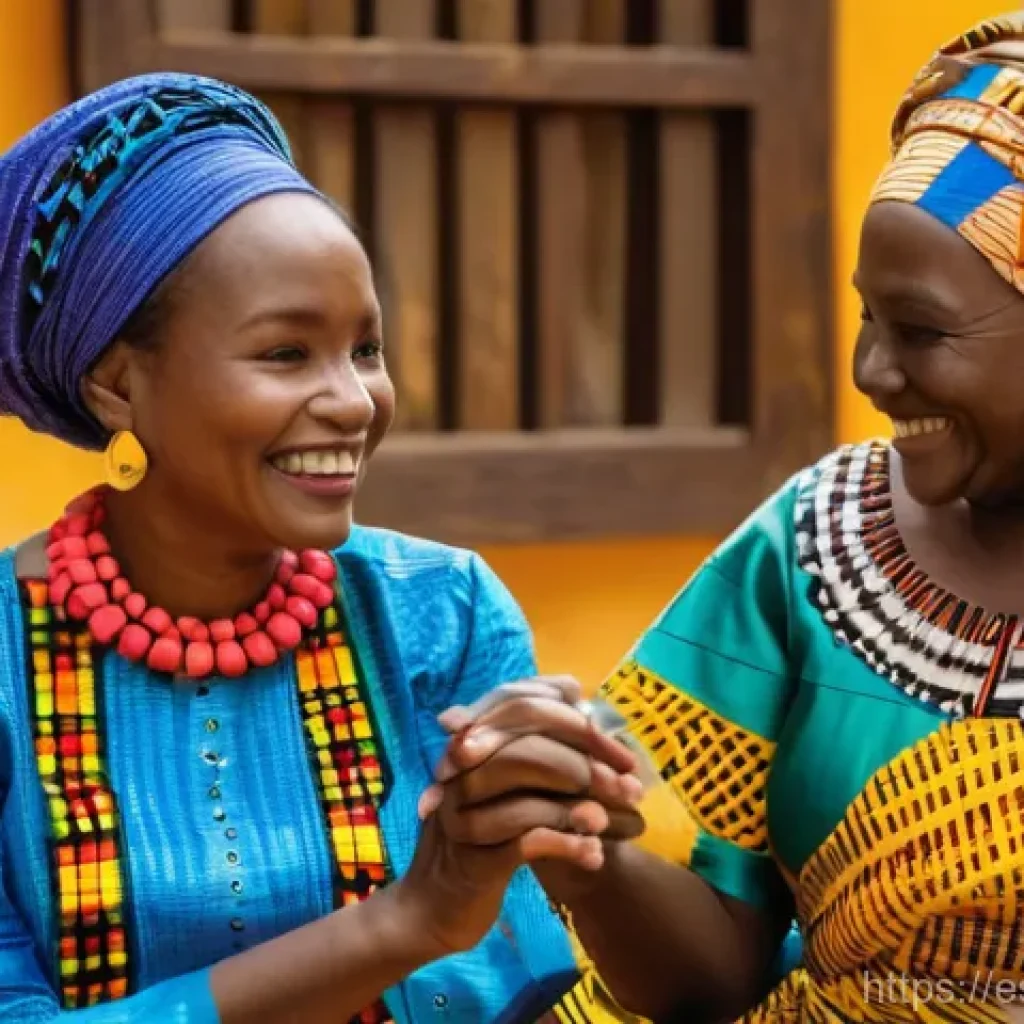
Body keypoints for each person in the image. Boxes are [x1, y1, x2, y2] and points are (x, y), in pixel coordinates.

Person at [0, 72, 659, 1023]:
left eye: (366, 348)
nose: (353, 401)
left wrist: (574, 809)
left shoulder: (441, 614)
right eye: (285, 354)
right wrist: (409, 922)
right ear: (115, 387)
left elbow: (520, 973)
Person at [454, 11, 1024, 1021]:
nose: (870, 372)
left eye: (923, 330)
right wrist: (592, 844)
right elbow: (704, 983)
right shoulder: (814, 544)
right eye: (865, 316)